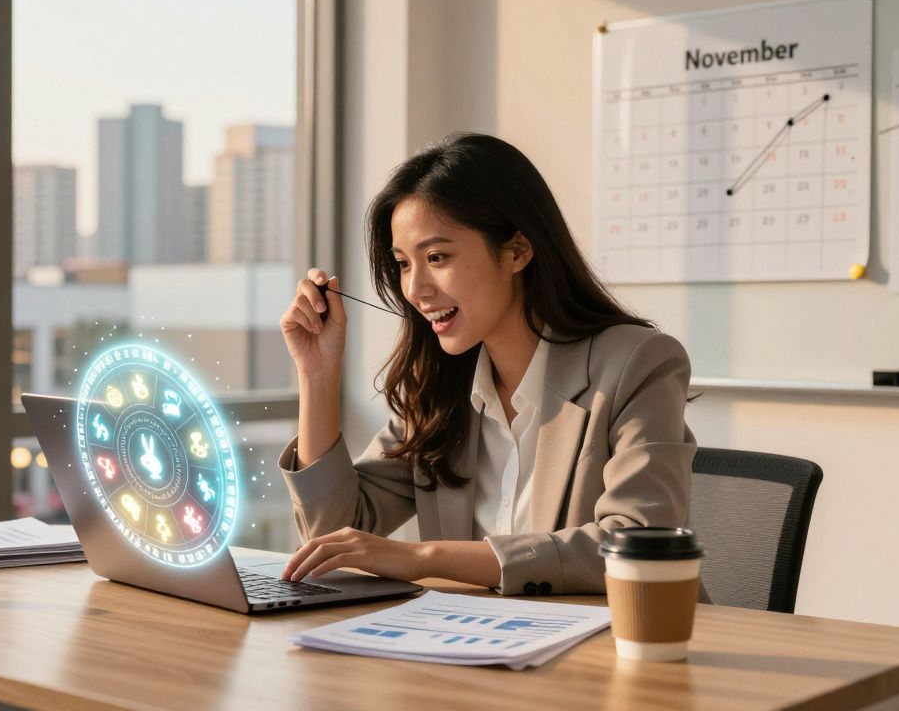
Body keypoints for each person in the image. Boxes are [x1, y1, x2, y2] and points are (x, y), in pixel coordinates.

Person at [276, 133, 695, 595]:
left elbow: (635, 544)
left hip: (616, 645)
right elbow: (329, 539)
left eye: (437, 257)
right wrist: (318, 375)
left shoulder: (638, 363)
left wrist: (423, 557)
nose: (416, 289)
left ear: (517, 251)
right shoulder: (436, 387)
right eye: (403, 264)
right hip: (476, 649)